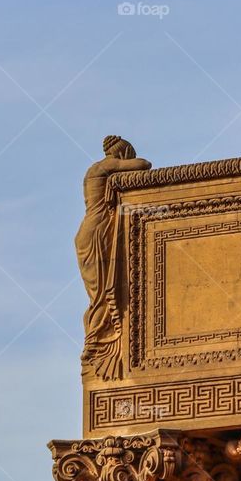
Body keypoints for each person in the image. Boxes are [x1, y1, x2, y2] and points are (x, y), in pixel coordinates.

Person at [75, 135, 151, 380]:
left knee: (98, 296)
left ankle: (96, 340)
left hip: (88, 232)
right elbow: (143, 165)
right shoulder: (103, 166)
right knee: (101, 298)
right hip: (98, 232)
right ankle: (97, 342)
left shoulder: (94, 170)